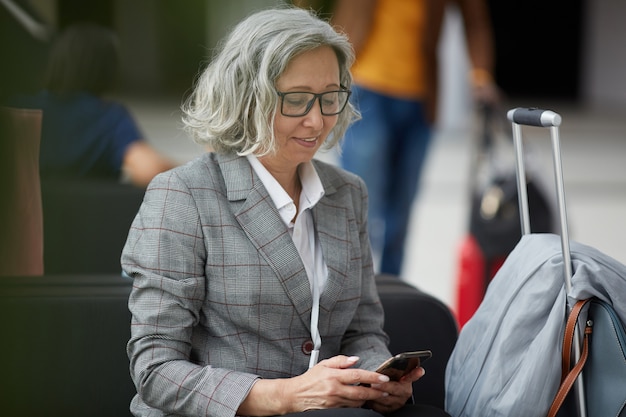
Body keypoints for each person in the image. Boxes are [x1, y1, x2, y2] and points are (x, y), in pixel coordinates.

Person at [121, 6, 450, 417]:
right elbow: (155, 371)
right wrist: (287, 396)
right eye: (296, 101)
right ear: (246, 97)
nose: (317, 121)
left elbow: (362, 332)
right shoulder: (182, 195)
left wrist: (377, 381)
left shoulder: (347, 193)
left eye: (330, 98)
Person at [295, 0, 500, 276]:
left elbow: (476, 22)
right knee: (358, 205)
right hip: (364, 89)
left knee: (400, 217)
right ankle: (346, 295)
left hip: (420, 100)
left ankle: (391, 302)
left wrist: (480, 76)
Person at [9, 22, 176, 187]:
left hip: (30, 212)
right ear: (108, 71)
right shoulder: (108, 117)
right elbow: (150, 170)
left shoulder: (18, 108)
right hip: (90, 212)